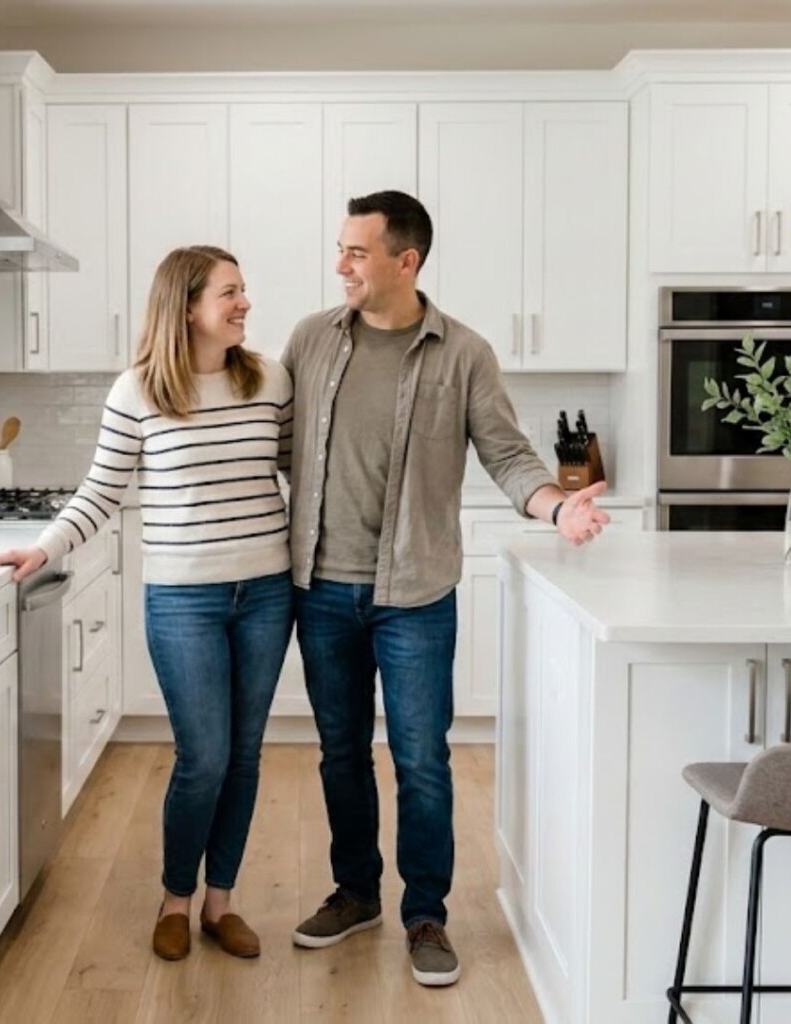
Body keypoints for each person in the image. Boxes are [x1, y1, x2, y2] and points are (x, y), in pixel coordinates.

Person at [280, 191, 609, 987]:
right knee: (340, 753)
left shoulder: (464, 353)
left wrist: (558, 504)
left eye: (356, 252)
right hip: (321, 589)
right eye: (340, 249)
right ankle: (355, 891)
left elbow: (508, 455)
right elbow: (270, 437)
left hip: (417, 593)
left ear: (406, 260)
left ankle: (424, 912)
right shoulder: (310, 341)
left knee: (423, 759)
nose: (341, 266)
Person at [0, 245, 294, 962]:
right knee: (203, 756)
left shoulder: (269, 380)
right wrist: (42, 550)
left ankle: (220, 903)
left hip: (266, 594)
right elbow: (100, 492)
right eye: (230, 294)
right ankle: (176, 897)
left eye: (244, 292)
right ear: (186, 307)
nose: (245, 305)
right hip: (183, 598)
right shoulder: (139, 391)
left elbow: (309, 468)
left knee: (243, 755)